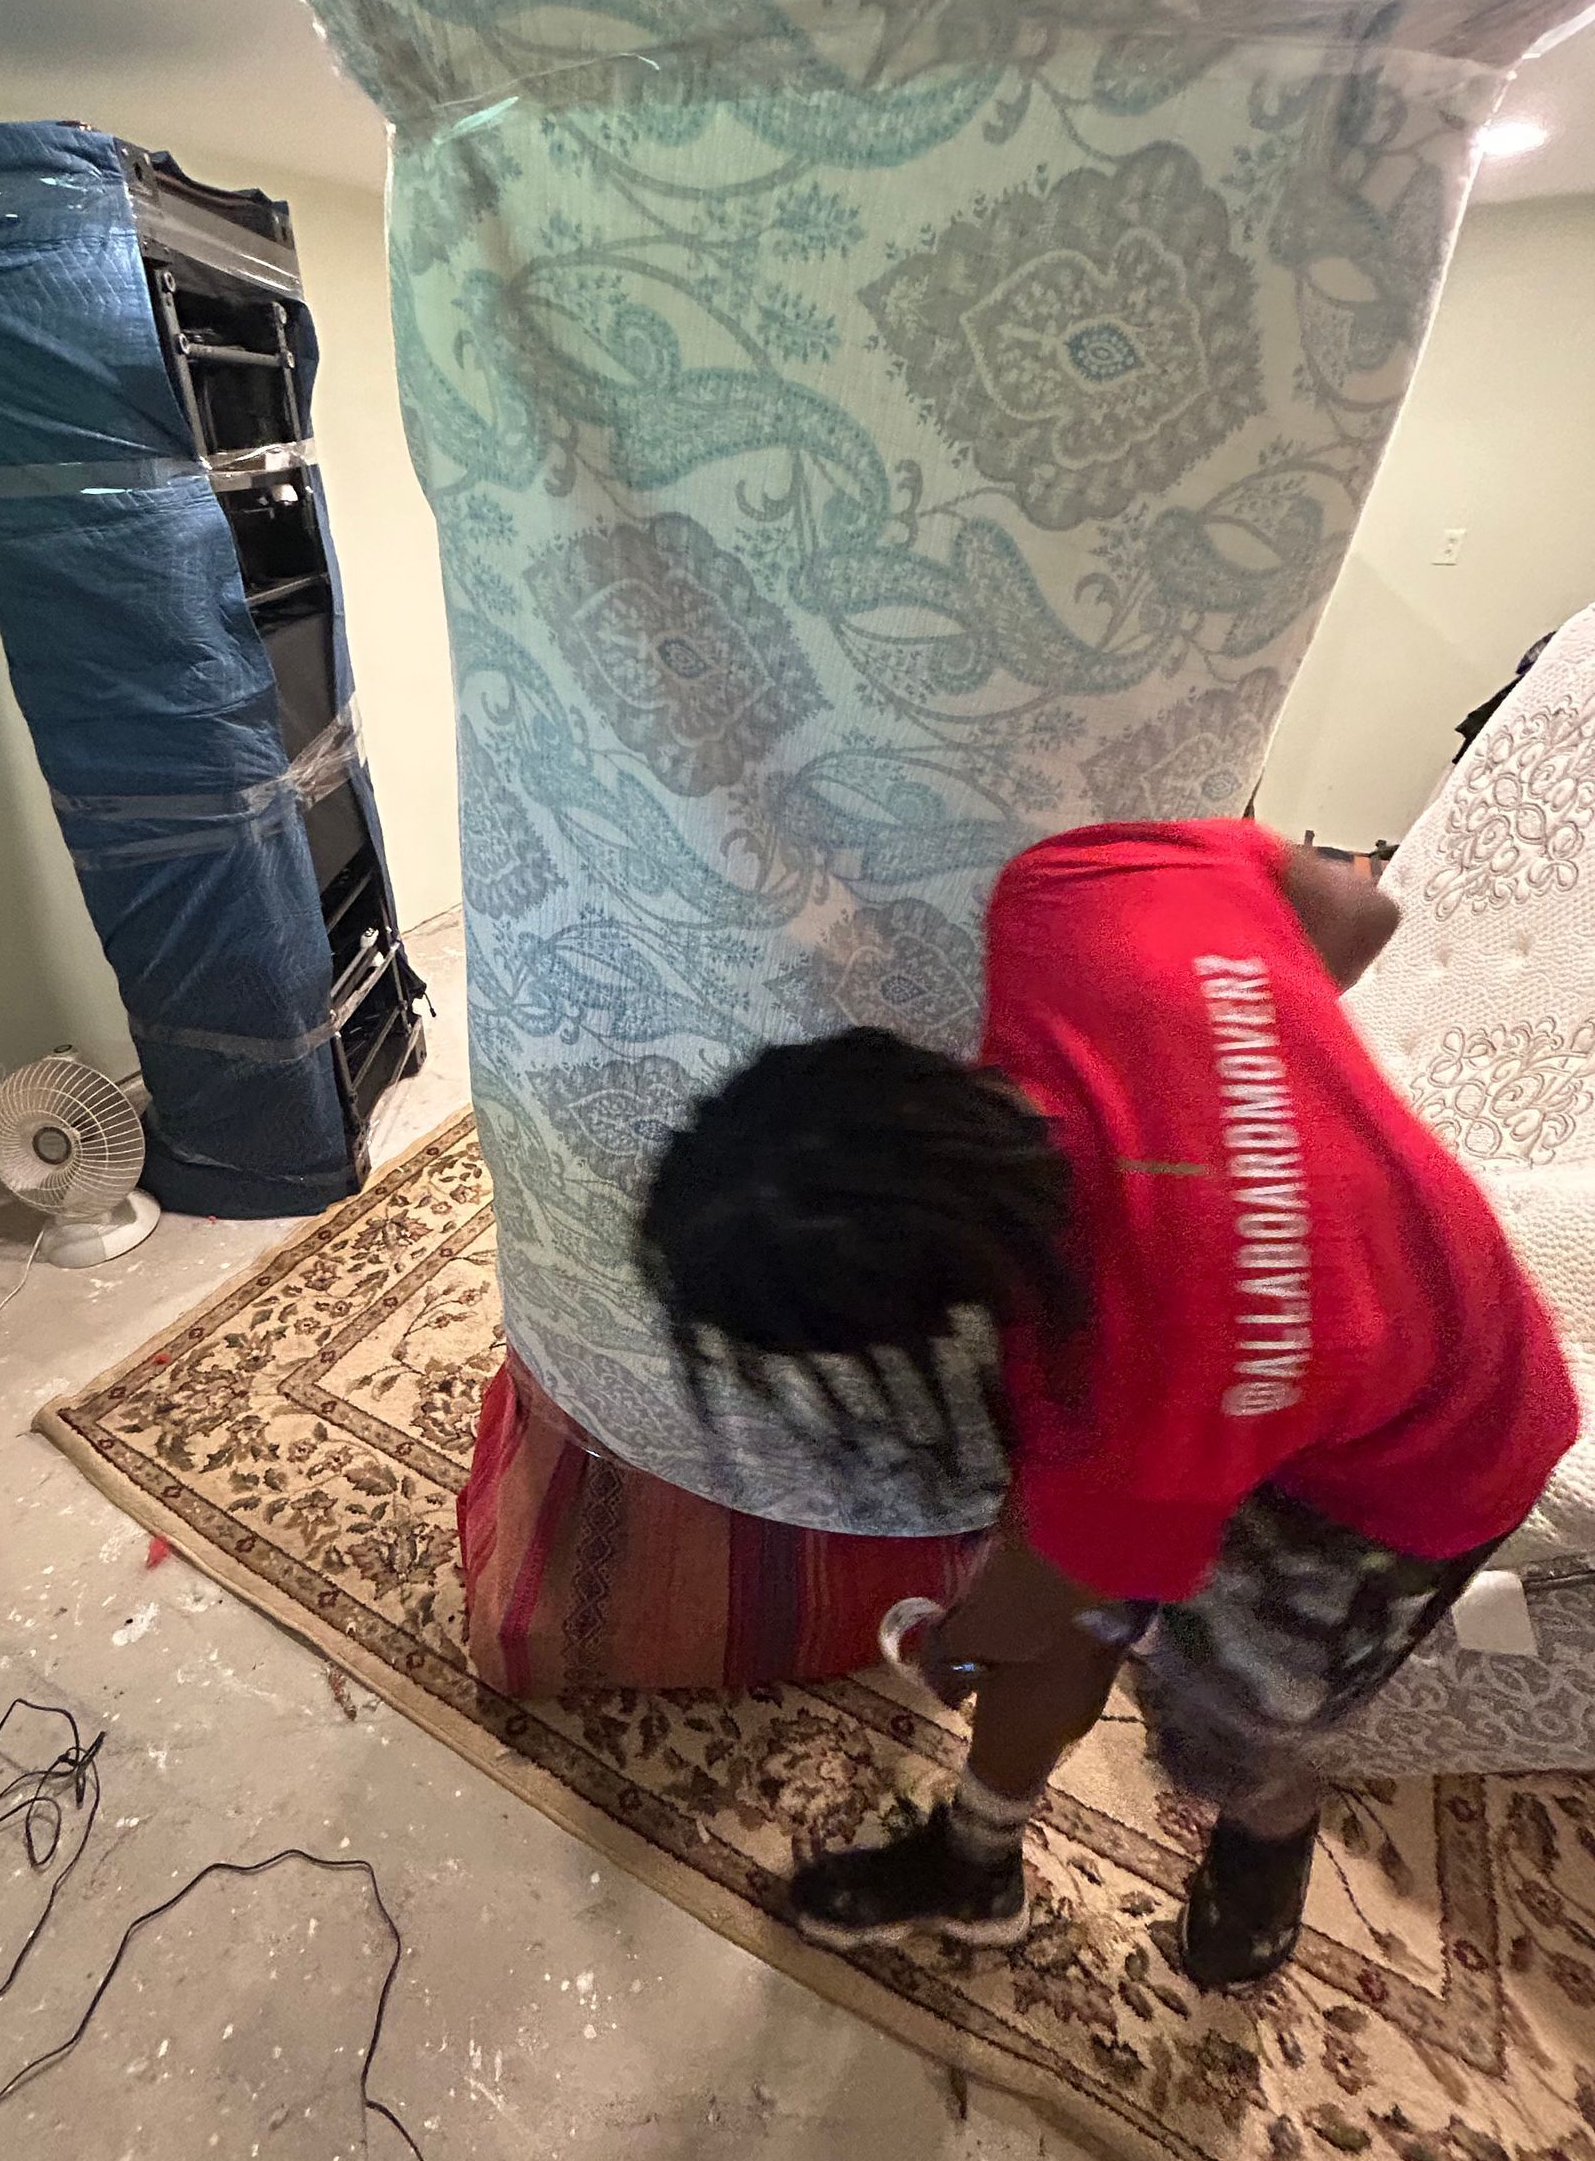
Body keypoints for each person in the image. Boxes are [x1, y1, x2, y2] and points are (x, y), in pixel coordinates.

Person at [638, 818, 1578, 1989]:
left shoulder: (1122, 1409)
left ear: (912, 1320)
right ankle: (978, 1865)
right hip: (1330, 1342)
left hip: (1432, 1459)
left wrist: (959, 1645)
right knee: (1091, 1599)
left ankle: (1263, 1857)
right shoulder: (1072, 895)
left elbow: (1029, 1611)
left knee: (1236, 1728)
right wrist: (1261, 1104)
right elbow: (1362, 912)